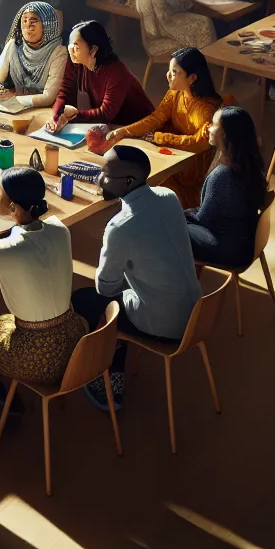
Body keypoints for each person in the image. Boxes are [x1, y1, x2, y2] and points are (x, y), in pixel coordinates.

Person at [0, 168, 87, 429]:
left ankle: (1, 404)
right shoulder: (60, 230)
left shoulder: (6, 252)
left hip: (39, 358)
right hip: (75, 341)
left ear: (12, 205)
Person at [71, 145, 200, 411]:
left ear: (129, 181)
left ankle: (107, 375)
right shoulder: (168, 195)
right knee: (129, 285)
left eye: (105, 175)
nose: (99, 180)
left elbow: (105, 288)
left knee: (85, 300)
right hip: (195, 312)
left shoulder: (121, 227)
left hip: (163, 326)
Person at [102, 47, 223, 208]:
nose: (168, 75)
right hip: (174, 153)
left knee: (147, 185)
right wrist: (125, 131)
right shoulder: (175, 94)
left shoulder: (208, 108)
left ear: (192, 78)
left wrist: (160, 137)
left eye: (174, 72)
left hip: (191, 169)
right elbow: (156, 118)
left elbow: (197, 143)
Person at [186, 105, 270, 270]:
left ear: (226, 135)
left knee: (165, 228)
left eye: (214, 124)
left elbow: (204, 220)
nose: (209, 128)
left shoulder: (223, 176)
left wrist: (180, 215)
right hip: (244, 243)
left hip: (227, 249)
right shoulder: (248, 164)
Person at [54, 20, 154, 130]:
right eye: (70, 45)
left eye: (76, 47)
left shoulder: (116, 73)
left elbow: (105, 114)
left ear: (93, 50)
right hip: (112, 126)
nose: (70, 50)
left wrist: (74, 115)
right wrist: (58, 116)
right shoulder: (76, 62)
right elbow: (65, 91)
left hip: (137, 127)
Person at [0, 1, 68, 109]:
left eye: (33, 21)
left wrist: (13, 98)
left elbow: (49, 97)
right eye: (24, 21)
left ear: (47, 24)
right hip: (15, 108)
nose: (27, 26)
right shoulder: (13, 45)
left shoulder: (59, 52)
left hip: (45, 112)